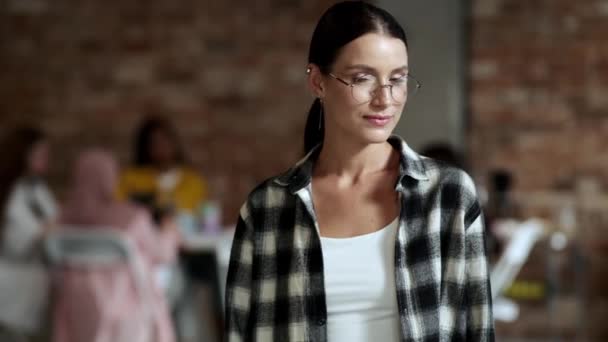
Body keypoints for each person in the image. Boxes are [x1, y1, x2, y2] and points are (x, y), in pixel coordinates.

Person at [225, 2, 494, 341]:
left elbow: (478, 330)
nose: (385, 99)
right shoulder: (266, 210)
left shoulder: (449, 196)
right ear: (317, 81)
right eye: (362, 79)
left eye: (397, 79)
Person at [53, 149, 178, 342]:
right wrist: (170, 233)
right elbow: (162, 254)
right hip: (125, 311)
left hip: (76, 311)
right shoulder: (132, 216)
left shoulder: (64, 218)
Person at [0, 127, 56, 340]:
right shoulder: (12, 192)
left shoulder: (38, 189)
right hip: (11, 286)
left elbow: (55, 222)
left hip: (34, 286)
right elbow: (24, 238)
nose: (45, 159)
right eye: (40, 154)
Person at [117, 116, 207, 223]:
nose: (162, 147)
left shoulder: (193, 181)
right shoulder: (132, 178)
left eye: (165, 140)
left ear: (175, 143)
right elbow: (119, 207)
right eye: (155, 143)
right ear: (146, 148)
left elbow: (201, 216)